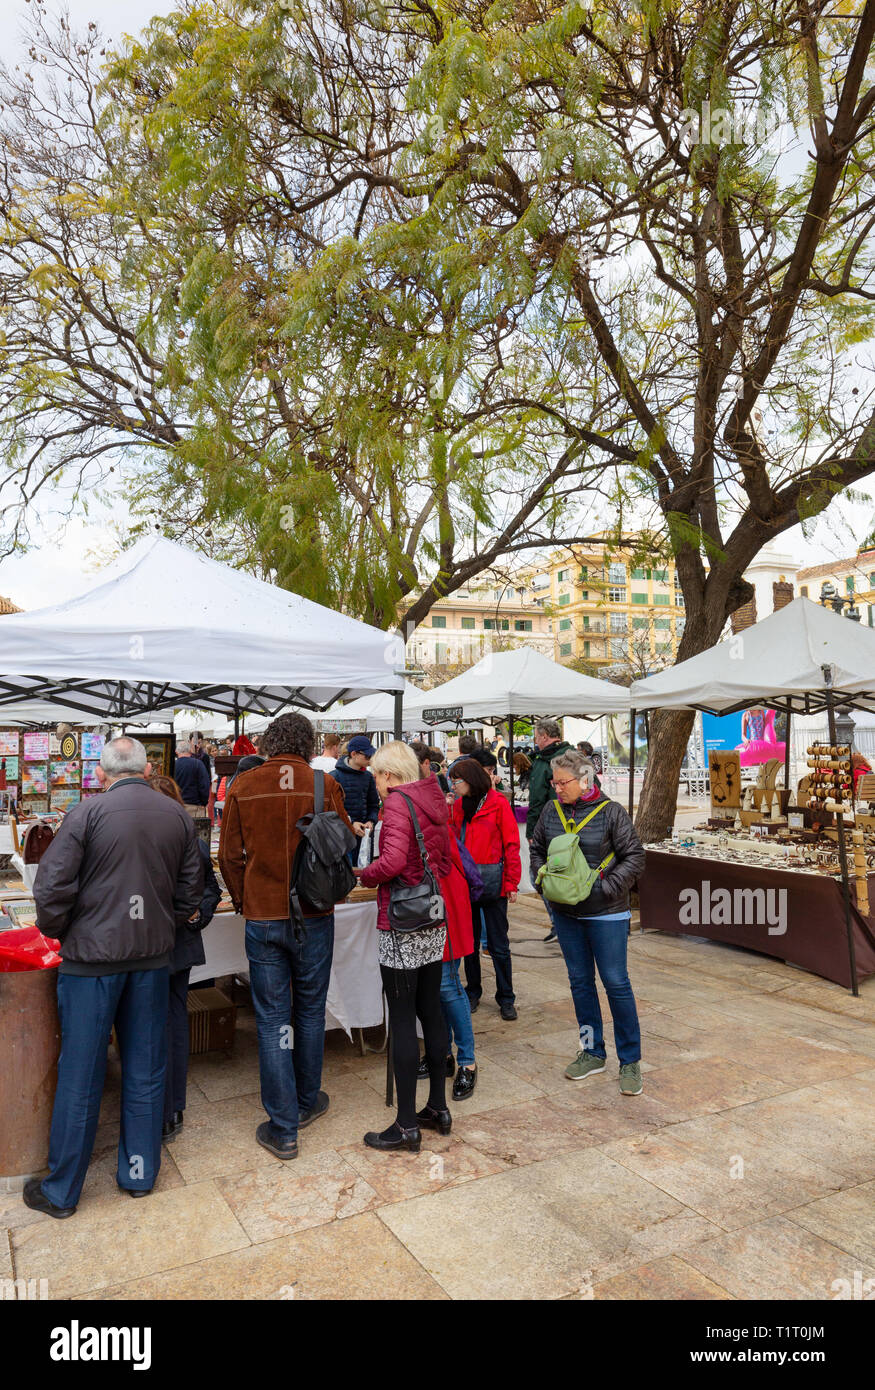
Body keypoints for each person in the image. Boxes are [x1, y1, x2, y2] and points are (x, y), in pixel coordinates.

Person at [25, 737, 203, 1217]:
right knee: (145, 1069)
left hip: (92, 962)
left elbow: (52, 886)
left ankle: (63, 1190)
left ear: (101, 774)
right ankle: (139, 1171)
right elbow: (192, 891)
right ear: (146, 771)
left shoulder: (85, 814)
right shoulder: (176, 816)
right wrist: (163, 923)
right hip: (149, 958)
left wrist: (61, 932)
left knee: (81, 1073)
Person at [219, 712, 352, 1160]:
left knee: (274, 1018)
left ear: (270, 742)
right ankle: (306, 1100)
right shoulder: (323, 783)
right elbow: (344, 840)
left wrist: (244, 900)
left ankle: (283, 1126)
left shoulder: (245, 784)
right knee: (310, 1010)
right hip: (314, 913)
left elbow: (229, 857)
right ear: (308, 742)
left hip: (263, 915)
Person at [529, 749, 645, 1095]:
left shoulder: (612, 813)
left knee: (616, 983)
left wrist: (608, 888)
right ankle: (592, 1051)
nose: (557, 788)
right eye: (554, 782)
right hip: (566, 913)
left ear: (585, 780)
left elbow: (635, 856)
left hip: (606, 913)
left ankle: (630, 1061)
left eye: (562, 782)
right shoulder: (550, 811)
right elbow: (536, 848)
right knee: (580, 983)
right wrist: (541, 880)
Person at [358, 741, 452, 1151]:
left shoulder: (397, 804)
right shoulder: (434, 798)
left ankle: (406, 1123)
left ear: (390, 776)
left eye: (377, 775)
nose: (376, 784)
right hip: (432, 917)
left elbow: (392, 863)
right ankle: (437, 1108)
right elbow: (445, 861)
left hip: (401, 921)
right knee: (431, 1009)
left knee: (400, 1018)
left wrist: (364, 873)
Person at [148, 773, 222, 1141]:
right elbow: (209, 889)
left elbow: (209, 890)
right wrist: (195, 915)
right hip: (172, 945)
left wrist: (197, 916)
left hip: (162, 947)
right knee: (171, 1021)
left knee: (163, 1023)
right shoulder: (186, 837)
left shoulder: (159, 839)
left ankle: (167, 1107)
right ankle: (171, 1105)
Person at [450, 758, 521, 1020]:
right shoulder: (457, 807)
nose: (454, 785)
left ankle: (506, 997)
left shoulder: (498, 803)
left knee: (498, 944)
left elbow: (511, 844)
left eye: (457, 780)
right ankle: (473, 991)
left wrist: (512, 882)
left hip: (493, 882)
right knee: (468, 943)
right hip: (465, 883)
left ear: (470, 780)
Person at [526, 719, 575, 943]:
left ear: (544, 736)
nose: (535, 741)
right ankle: (563, 923)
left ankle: (562, 923)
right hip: (555, 825)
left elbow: (537, 799)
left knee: (543, 875)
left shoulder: (559, 759)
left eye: (536, 737)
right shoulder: (549, 758)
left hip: (556, 826)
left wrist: (532, 830)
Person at [332, 734, 381, 840]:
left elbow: (373, 805)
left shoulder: (368, 777)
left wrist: (371, 821)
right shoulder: (334, 776)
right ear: (353, 754)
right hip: (342, 838)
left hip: (365, 835)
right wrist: (351, 823)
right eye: (367, 756)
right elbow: (332, 810)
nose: (370, 759)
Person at [173, 741, 211, 820]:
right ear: (190, 751)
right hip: (195, 807)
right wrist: (203, 803)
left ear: (176, 751)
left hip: (176, 807)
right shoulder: (198, 764)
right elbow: (204, 786)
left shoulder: (172, 766)